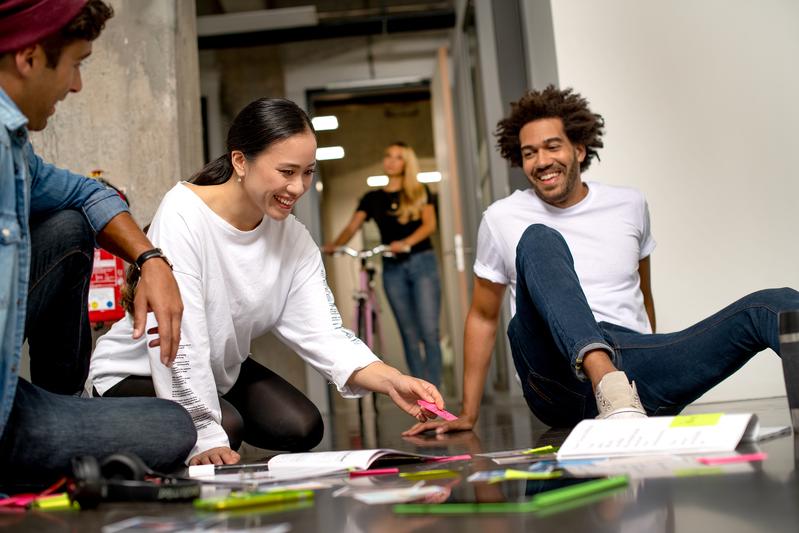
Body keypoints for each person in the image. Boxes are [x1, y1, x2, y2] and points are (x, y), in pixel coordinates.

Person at [404, 85, 799, 436]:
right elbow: (483, 316)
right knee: (540, 239)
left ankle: (622, 394)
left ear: (578, 149)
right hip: (556, 376)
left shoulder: (629, 204)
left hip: (634, 368)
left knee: (770, 304)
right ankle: (605, 381)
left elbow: (642, 293)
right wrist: (469, 411)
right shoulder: (502, 218)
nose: (541, 161)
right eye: (529, 153)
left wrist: (653, 356)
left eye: (552, 146)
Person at [88, 99, 446, 466]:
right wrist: (204, 432)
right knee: (224, 428)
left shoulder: (293, 239)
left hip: (217, 370)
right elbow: (183, 341)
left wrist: (392, 380)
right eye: (287, 171)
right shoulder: (183, 212)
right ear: (240, 161)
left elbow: (325, 334)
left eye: (308, 172)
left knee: (302, 426)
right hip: (138, 370)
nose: (298, 186)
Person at [0, 0, 196, 488]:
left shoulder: (15, 148)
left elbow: (89, 192)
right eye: (74, 65)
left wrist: (151, 260)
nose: (76, 85)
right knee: (173, 429)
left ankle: (64, 405)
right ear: (28, 58)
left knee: (67, 226)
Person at [323, 142, 443, 387]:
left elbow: (429, 226)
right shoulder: (372, 198)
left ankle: (436, 390)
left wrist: (405, 242)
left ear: (406, 163)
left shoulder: (420, 190)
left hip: (422, 263)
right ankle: (421, 394)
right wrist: (333, 245)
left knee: (429, 332)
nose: (390, 161)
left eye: (398, 157)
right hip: (392, 269)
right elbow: (351, 227)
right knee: (409, 335)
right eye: (388, 155)